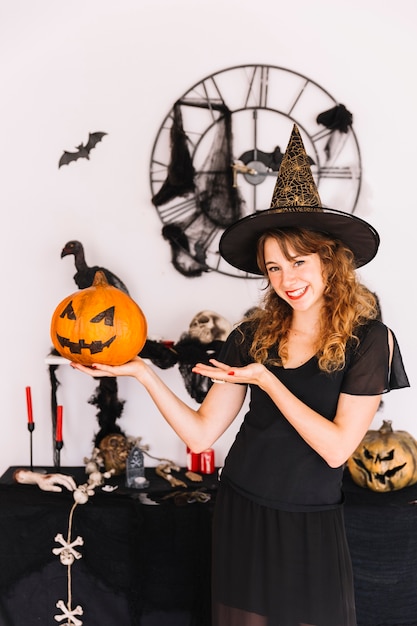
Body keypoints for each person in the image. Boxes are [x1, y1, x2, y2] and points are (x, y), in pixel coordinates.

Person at [71, 125, 409, 626]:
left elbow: (338, 448)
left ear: (329, 261)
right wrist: (143, 372)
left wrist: (269, 382)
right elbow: (201, 432)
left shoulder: (370, 340)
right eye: (272, 268)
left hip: (311, 522)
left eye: (298, 261)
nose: (286, 279)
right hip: (244, 507)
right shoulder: (252, 337)